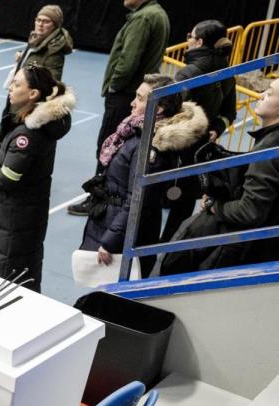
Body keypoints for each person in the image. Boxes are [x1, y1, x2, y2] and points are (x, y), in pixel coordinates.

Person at [80, 74, 206, 277]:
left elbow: (138, 200)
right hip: (112, 220)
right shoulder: (136, 132)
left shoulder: (148, 146)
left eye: (139, 98)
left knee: (110, 295)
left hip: (120, 232)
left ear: (159, 108)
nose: (132, 103)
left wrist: (111, 240)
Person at [0, 64, 75, 292]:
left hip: (12, 222)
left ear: (33, 94)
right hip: (21, 218)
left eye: (17, 84)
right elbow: (14, 157)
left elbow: (7, 178)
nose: (10, 87)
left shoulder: (28, 135)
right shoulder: (35, 126)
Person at [160, 78, 279, 274]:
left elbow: (250, 211)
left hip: (242, 248)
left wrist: (215, 206)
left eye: (270, 93)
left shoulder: (268, 151)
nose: (260, 95)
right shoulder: (269, 141)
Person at [71, 0, 168, 216]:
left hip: (125, 94)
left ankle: (97, 198)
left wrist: (115, 85)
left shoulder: (143, 17)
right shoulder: (157, 13)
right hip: (134, 93)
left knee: (108, 145)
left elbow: (128, 58)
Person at [160, 19, 237, 244]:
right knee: (182, 208)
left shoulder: (187, 74)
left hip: (174, 150)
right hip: (201, 149)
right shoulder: (228, 73)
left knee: (153, 200)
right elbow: (229, 112)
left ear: (199, 41)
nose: (187, 39)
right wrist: (216, 129)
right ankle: (171, 247)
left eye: (189, 36)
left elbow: (166, 112)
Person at [0, 5, 72, 125]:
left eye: (46, 21)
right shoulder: (36, 39)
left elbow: (50, 86)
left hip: (26, 107)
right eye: (38, 20)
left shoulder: (54, 52)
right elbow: (34, 64)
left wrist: (29, 110)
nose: (40, 24)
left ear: (55, 25)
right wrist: (23, 59)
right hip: (17, 97)